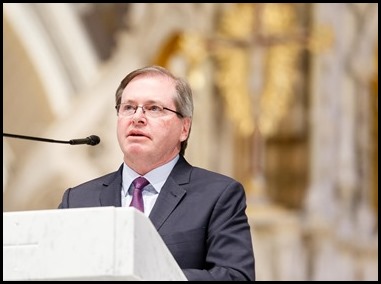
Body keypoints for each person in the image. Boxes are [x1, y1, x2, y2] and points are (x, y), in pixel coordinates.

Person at [58, 65, 255, 281]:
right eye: (128, 107)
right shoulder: (76, 200)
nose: (137, 118)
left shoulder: (218, 195)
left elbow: (236, 277)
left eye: (154, 109)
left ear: (184, 128)